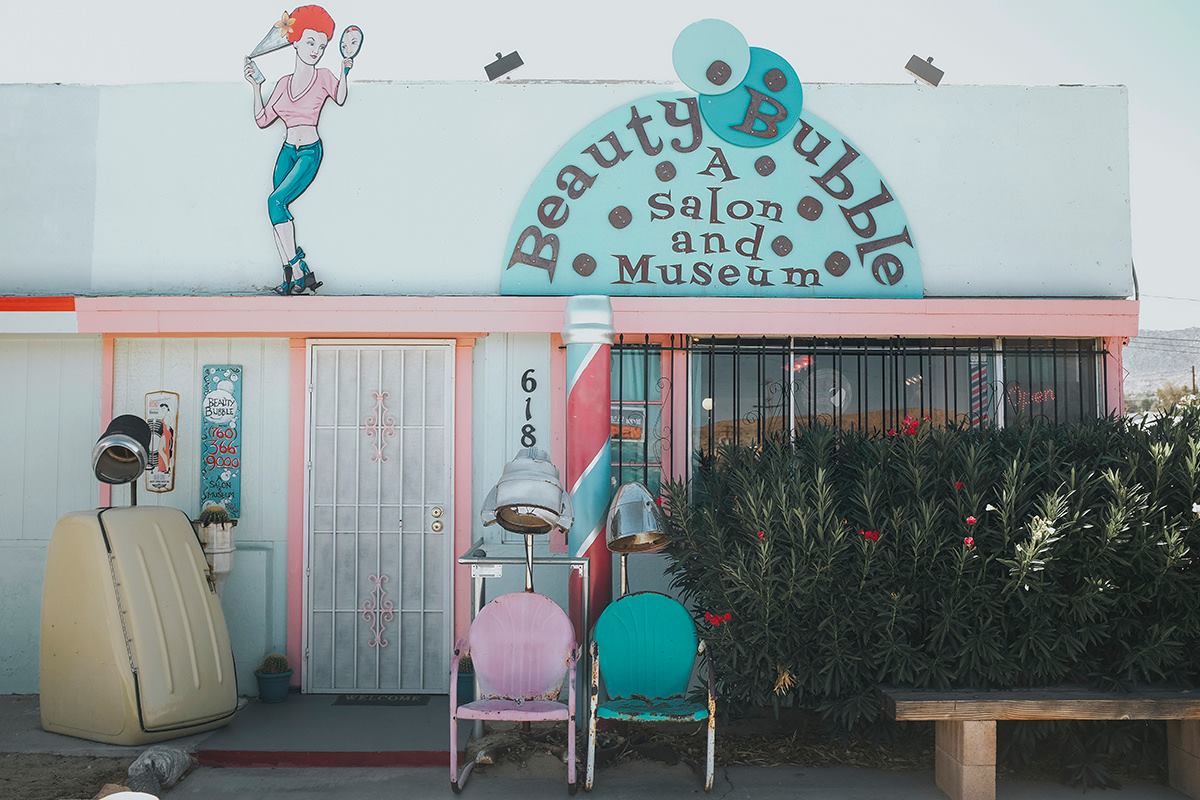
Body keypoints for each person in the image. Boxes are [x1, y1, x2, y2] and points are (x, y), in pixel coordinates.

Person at [244, 6, 352, 294]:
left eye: (321, 45)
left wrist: (344, 68)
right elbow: (263, 119)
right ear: (295, 41)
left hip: (309, 152)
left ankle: (301, 267)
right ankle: (290, 277)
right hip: (287, 150)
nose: (316, 50)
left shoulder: (325, 77)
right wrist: (256, 87)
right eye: (310, 42)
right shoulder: (282, 85)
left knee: (274, 202)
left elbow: (340, 97)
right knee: (277, 209)